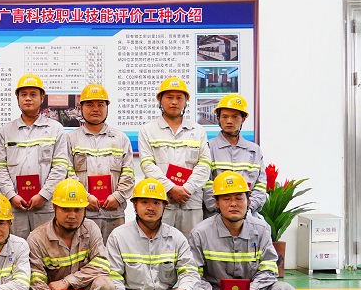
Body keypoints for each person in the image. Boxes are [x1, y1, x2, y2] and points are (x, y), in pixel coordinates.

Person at [189, 172, 297, 290]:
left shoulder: (261, 229)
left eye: (239, 198)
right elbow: (194, 275)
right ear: (216, 203)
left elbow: (269, 267)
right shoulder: (201, 233)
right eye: (226, 198)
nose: (233, 204)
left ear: (249, 201)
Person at [0, 73, 70, 237]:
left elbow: (60, 167)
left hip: (46, 205)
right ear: (17, 98)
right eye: (23, 94)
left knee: (47, 246)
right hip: (15, 206)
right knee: (16, 247)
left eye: (33, 94)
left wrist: (44, 195)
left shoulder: (55, 129)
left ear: (42, 98)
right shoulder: (6, 131)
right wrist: (11, 195)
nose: (28, 98)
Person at [138, 77, 211, 236]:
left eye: (179, 98)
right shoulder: (148, 130)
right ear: (160, 100)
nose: (174, 102)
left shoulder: (198, 130)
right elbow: (147, 165)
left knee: (191, 245)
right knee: (159, 244)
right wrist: (170, 188)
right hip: (161, 200)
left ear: (185, 101)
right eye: (169, 97)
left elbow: (205, 164)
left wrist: (187, 189)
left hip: (190, 201)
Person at [65, 84, 136, 242]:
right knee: (83, 253)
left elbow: (128, 173)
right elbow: (67, 173)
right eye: (90, 105)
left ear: (107, 107)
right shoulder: (70, 139)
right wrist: (85, 197)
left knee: (114, 252)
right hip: (82, 213)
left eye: (100, 104)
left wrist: (118, 196)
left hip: (114, 213)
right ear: (81, 108)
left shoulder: (121, 139)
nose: (95, 109)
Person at [203, 94, 267, 216]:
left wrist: (246, 209)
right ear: (218, 118)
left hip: (248, 216)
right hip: (215, 217)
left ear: (243, 119)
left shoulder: (254, 150)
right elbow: (206, 183)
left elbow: (260, 185)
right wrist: (222, 209)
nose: (229, 121)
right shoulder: (208, 147)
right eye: (225, 116)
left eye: (235, 116)